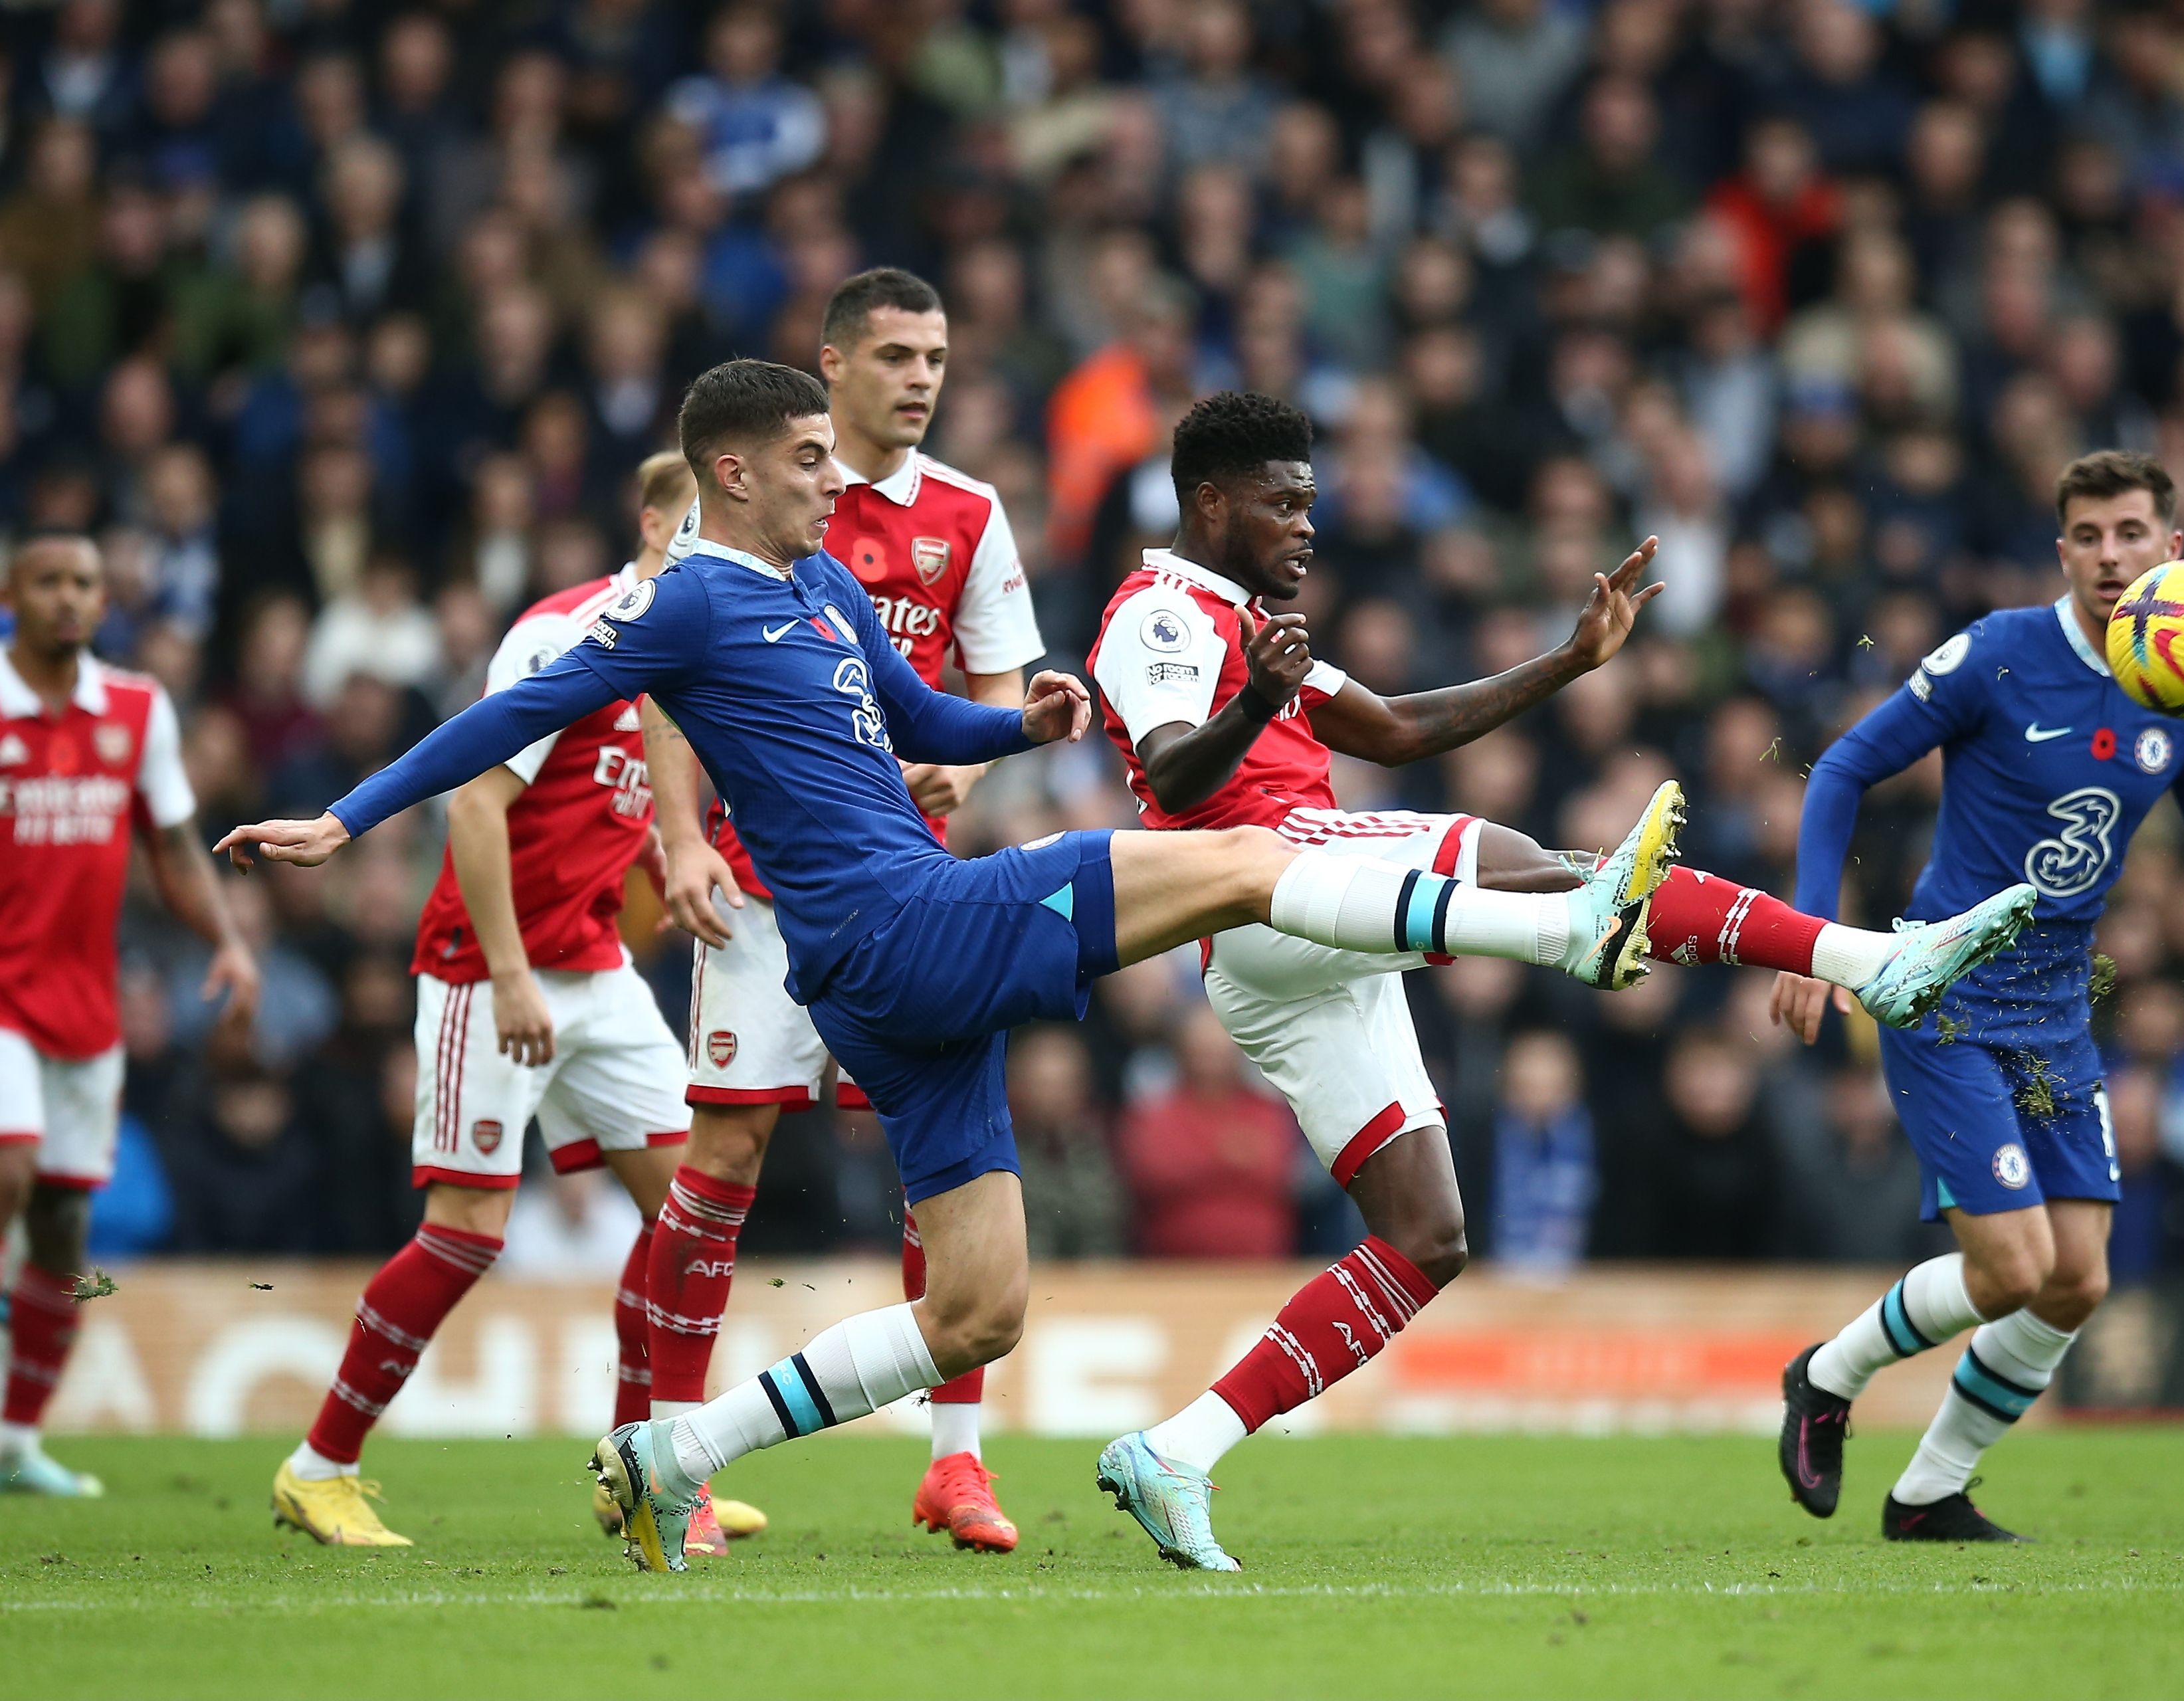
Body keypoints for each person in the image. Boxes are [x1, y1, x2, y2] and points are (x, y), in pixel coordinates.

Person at [217, 357, 1687, 1573]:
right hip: (905, 924)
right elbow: (503, 721)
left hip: (877, 979)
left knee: (976, 1310)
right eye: (803, 457)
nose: (828, 478)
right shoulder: (681, 601)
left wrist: (1028, 726)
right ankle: (1563, 922)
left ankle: (675, 1449)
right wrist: (347, 817)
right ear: (730, 472)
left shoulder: (826, 592)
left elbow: (923, 717)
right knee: (1248, 857)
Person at [1080, 393, 2038, 1569]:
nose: (1306, 525)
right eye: (1284, 502)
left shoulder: (1253, 621)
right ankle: (1864, 959)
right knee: (1547, 870)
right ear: (1210, 502)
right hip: (1254, 886)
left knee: (1426, 1236)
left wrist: (1571, 661)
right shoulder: (1159, 613)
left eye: (1313, 503)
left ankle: (1177, 1450)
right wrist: (1258, 698)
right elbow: (1177, 785)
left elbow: (1396, 727)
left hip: (1300, 943)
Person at [267, 454, 761, 1555]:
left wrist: (665, 862)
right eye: (699, 517)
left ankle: (643, 1466)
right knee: (468, 1234)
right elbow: (478, 809)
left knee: (690, 1205)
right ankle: (320, 1468)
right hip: (485, 970)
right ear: (649, 517)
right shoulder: (565, 633)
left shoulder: (698, 653)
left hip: (594, 970)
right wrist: (509, 974)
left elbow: (605, 804)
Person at [1773, 449, 2184, 1542]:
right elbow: (1846, 768)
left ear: (2171, 550)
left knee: (2077, 1281)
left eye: (2132, 533)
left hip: (2055, 1013)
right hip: (1943, 993)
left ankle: (1931, 1493)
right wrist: (1811, 939)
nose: (2110, 556)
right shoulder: (1998, 655)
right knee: (2013, 1270)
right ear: (2063, 551)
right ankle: (1826, 1375)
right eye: (2088, 536)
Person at [645, 268, 1044, 1554]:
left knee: (942, 1178)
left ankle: (954, 1463)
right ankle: (672, 1453)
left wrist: (964, 766)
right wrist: (677, 835)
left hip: (911, 893)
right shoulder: (754, 495)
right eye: (893, 356)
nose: (920, 377)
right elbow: (661, 677)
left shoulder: (972, 515)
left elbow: (996, 684)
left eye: (934, 354)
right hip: (763, 894)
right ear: (829, 365)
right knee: (721, 1160)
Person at [0, 532, 259, 1496]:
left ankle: (17, 1443)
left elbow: (174, 843)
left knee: (66, 1231)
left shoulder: (135, 708)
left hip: (83, 1002)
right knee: (11, 1159)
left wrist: (228, 939)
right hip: (1, 1001)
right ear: (12, 594)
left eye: (84, 583)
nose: (70, 598)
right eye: (50, 582)